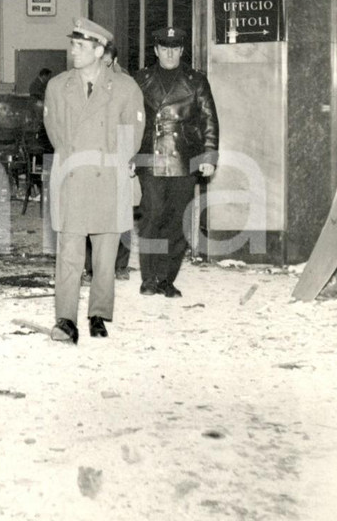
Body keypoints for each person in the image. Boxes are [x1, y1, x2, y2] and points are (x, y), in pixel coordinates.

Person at [44, 18, 145, 345]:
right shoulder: (58, 86)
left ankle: (98, 313)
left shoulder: (126, 88)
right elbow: (55, 132)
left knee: (105, 254)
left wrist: (119, 162)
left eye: (81, 46)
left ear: (100, 51)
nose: (73, 51)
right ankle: (66, 320)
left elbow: (132, 134)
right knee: (69, 252)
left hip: (109, 176)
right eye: (72, 44)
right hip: (73, 175)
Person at [133, 27, 219, 298]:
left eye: (175, 48)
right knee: (152, 217)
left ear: (182, 51)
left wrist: (208, 156)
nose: (169, 53)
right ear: (156, 50)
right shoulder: (141, 80)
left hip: (184, 158)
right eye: (164, 47)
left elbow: (209, 120)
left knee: (177, 222)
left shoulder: (196, 81)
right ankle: (149, 278)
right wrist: (128, 154)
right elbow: (130, 120)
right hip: (151, 156)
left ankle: (167, 279)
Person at [84, 41, 134, 280]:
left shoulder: (125, 84)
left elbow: (132, 123)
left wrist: (128, 156)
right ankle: (92, 268)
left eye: (106, 64)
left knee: (120, 211)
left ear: (114, 62)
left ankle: (120, 265)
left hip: (117, 154)